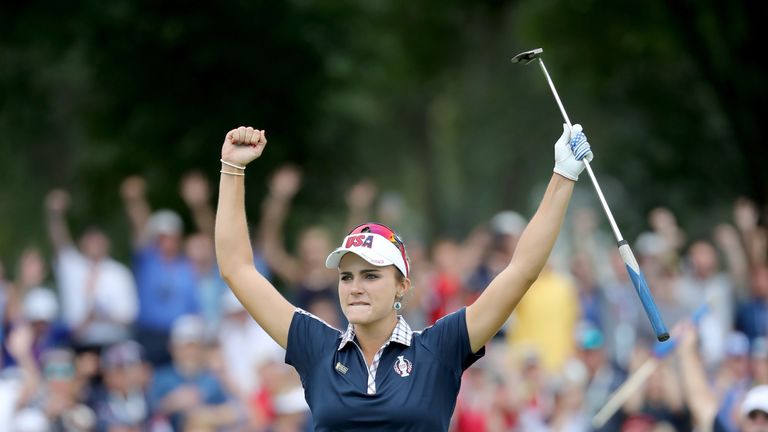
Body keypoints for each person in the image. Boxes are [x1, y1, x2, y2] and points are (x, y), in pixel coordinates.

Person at [214, 123, 592, 430]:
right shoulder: (317, 347)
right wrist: (232, 168)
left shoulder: (438, 348)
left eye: (371, 276)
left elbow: (521, 271)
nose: (355, 288)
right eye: (347, 277)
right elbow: (237, 270)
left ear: (402, 286)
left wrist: (563, 176)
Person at [44, 189, 138, 350]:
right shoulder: (72, 266)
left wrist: (99, 317)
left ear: (107, 242)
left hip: (113, 344)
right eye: (90, 238)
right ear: (82, 242)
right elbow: (59, 240)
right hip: (77, 343)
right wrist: (55, 214)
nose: (94, 243)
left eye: (98, 239)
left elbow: (129, 316)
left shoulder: (120, 273)